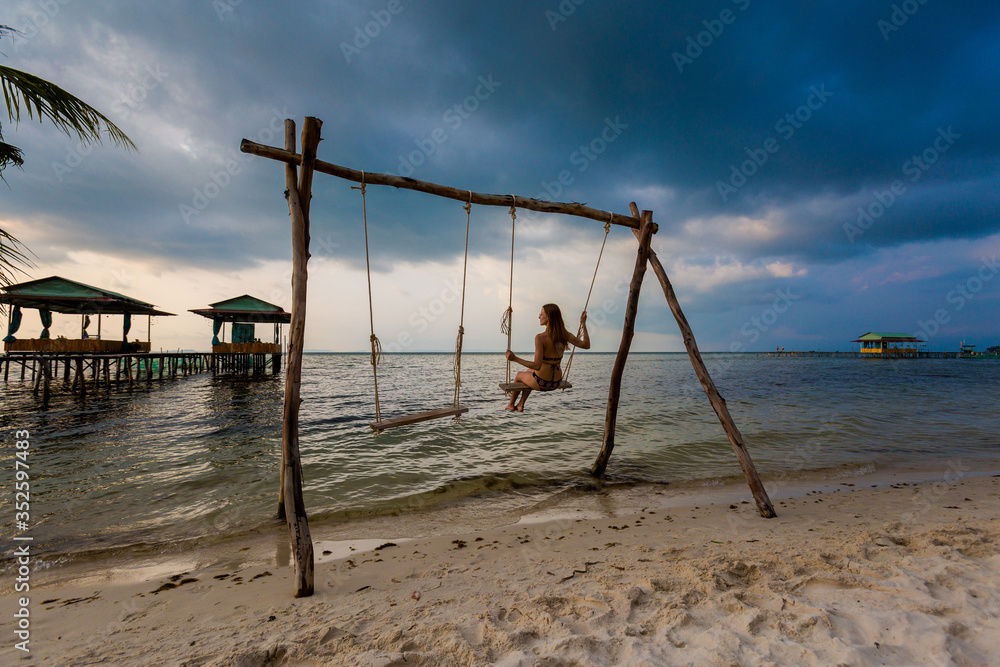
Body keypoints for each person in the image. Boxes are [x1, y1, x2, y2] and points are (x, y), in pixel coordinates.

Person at [505, 303, 589, 412]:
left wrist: (515, 358)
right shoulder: (565, 335)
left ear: (548, 317)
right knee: (529, 371)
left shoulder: (540, 338)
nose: (539, 317)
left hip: (542, 383)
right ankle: (520, 404)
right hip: (556, 382)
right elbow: (586, 345)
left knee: (520, 375)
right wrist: (583, 324)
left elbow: (537, 365)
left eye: (541, 314)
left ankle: (511, 404)